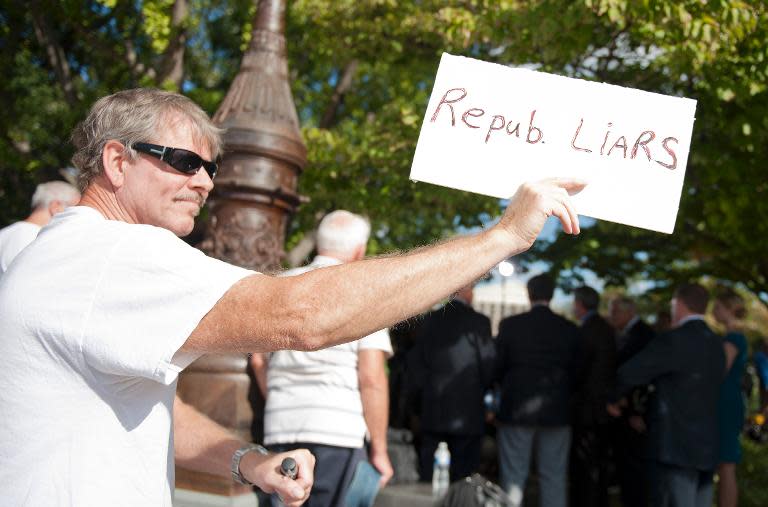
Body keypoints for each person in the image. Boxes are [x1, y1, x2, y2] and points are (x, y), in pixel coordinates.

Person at [0, 88, 585, 506]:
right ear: (115, 162)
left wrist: (245, 461)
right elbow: (303, 317)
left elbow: (147, 404)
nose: (204, 181)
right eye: (182, 162)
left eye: (210, 166)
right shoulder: (110, 254)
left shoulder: (66, 255)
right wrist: (502, 236)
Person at [250, 210, 394, 507]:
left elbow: (258, 360)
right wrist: (379, 450)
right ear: (359, 250)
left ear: (319, 243)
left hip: (281, 424)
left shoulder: (280, 285)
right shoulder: (366, 294)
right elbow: (372, 378)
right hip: (338, 431)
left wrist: (280, 396)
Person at [608, 283, 725, 507]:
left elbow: (631, 372)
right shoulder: (716, 343)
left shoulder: (674, 340)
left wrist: (613, 398)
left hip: (674, 445)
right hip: (708, 444)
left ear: (678, 305)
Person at [494, 274, 582, 507]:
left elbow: (497, 365)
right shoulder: (569, 329)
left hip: (517, 409)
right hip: (557, 410)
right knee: (553, 477)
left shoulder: (511, 325)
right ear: (552, 295)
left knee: (513, 476)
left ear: (529, 294)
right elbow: (578, 370)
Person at [408, 281, 494, 483]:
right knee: (463, 477)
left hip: (433, 407)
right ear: (467, 291)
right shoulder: (479, 322)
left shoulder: (430, 320)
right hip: (468, 412)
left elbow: (416, 364)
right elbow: (488, 365)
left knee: (430, 475)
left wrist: (420, 399)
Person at [607, 295, 656, 507]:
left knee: (634, 470)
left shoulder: (643, 335)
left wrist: (637, 409)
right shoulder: (628, 334)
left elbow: (644, 375)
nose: (611, 317)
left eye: (615, 312)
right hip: (626, 412)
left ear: (629, 312)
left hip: (634, 413)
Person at [570, 285, 616, 507]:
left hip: (588, 409)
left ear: (579, 304)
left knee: (586, 468)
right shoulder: (605, 328)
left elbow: (579, 371)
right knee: (597, 465)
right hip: (602, 408)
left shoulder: (587, 331)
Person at [713, 287, 748, 507]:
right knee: (724, 463)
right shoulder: (732, 336)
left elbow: (719, 370)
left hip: (725, 402)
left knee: (726, 464)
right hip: (726, 399)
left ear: (728, 310)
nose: (714, 312)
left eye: (717, 307)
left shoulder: (733, 338)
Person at [0, 180, 80, 274]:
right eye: (74, 209)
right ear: (56, 207)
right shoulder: (36, 239)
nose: (77, 217)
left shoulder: (6, 233)